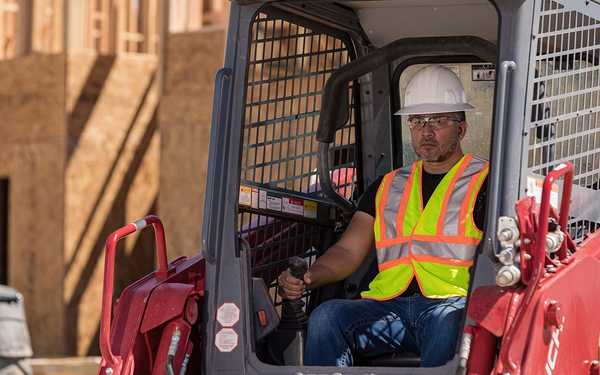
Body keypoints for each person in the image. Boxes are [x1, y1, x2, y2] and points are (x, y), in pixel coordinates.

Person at [277, 65, 489, 367]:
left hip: (452, 305)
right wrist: (312, 277)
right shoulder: (388, 185)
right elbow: (348, 250)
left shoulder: (486, 181)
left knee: (448, 324)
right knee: (327, 317)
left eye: (438, 122)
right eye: (417, 121)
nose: (426, 132)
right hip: (389, 307)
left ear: (461, 128)